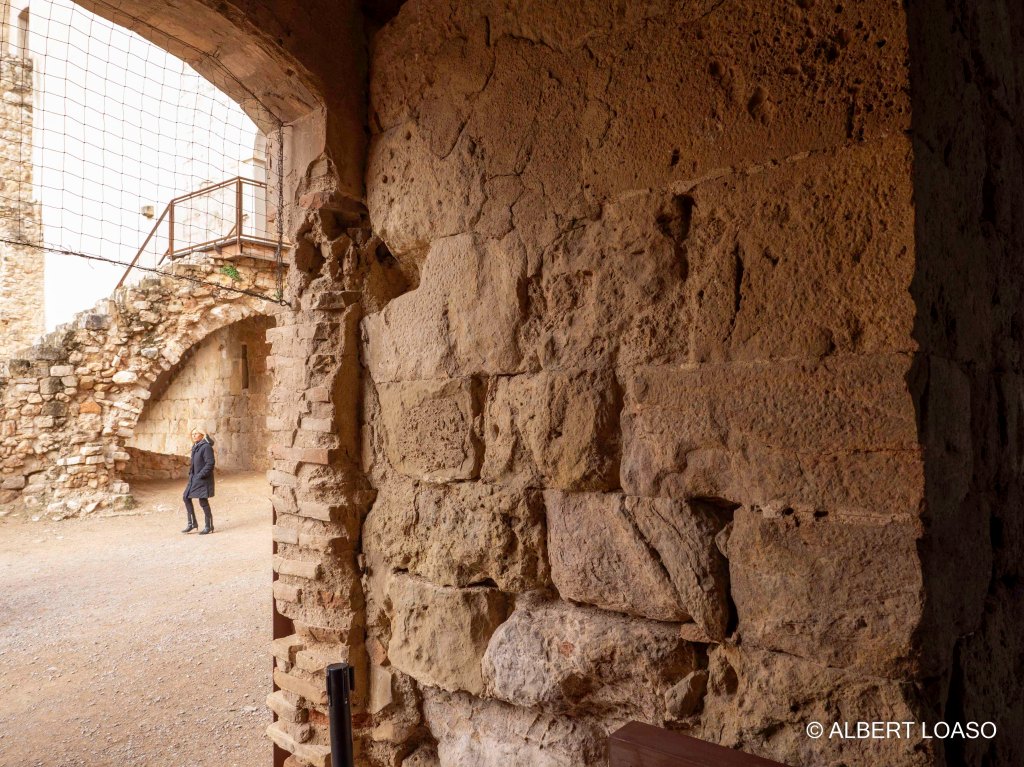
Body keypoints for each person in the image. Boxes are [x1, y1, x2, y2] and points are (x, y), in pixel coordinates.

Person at [182, 428, 216, 535]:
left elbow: (210, 463)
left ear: (202, 435)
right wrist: (192, 474)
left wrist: (200, 475)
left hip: (203, 479)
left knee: (203, 501)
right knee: (186, 497)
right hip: (194, 478)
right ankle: (192, 524)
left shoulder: (206, 447)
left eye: (196, 433)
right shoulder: (195, 446)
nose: (193, 435)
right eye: (192, 434)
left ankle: (209, 526)